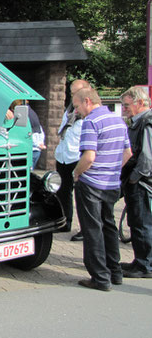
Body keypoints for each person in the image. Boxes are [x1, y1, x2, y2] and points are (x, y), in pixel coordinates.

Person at [72, 87, 132, 291]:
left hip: (91, 183)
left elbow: (89, 157)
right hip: (112, 183)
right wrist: (112, 169)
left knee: (92, 229)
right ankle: (115, 272)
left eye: (78, 106)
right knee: (109, 226)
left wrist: (77, 173)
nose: (77, 110)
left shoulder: (91, 122)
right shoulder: (118, 120)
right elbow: (128, 153)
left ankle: (99, 277)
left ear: (87, 101)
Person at [120, 86, 152, 278]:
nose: (124, 109)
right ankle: (140, 261)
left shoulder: (146, 122)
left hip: (141, 183)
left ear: (140, 103)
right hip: (138, 182)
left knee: (142, 223)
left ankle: (145, 266)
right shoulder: (139, 122)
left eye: (126, 105)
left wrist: (133, 179)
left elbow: (147, 158)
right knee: (137, 223)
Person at [55, 80, 90, 239]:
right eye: (71, 92)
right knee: (63, 191)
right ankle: (65, 222)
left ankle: (86, 229)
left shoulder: (88, 114)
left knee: (82, 196)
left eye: (76, 92)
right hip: (63, 156)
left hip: (77, 157)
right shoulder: (70, 110)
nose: (73, 95)